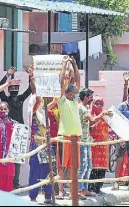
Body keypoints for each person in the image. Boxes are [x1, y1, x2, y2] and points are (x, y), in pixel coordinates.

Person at [0, 66, 32, 189]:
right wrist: (7, 75)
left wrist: (31, 75)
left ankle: (15, 183)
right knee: (7, 157)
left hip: (20, 130)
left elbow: (30, 89)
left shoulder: (21, 98)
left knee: (17, 159)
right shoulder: (5, 99)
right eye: (11, 87)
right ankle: (7, 182)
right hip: (8, 129)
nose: (14, 89)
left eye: (16, 87)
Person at [57, 56, 82, 199]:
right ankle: (61, 191)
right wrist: (64, 64)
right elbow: (61, 82)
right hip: (64, 136)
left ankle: (73, 192)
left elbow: (78, 79)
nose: (76, 90)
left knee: (74, 166)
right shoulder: (62, 100)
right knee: (62, 166)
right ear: (69, 92)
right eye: (74, 90)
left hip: (76, 137)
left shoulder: (75, 101)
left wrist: (74, 63)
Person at [27, 70, 53, 204]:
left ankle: (48, 195)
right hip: (36, 144)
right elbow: (37, 99)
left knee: (49, 169)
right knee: (35, 171)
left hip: (46, 144)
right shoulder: (34, 110)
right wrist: (32, 77)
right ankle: (33, 196)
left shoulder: (44, 111)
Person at [88, 95, 110, 195]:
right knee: (93, 167)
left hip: (104, 146)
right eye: (97, 103)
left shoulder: (106, 115)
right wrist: (101, 114)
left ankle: (98, 188)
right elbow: (91, 125)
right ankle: (91, 188)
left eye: (101, 104)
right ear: (93, 104)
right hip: (93, 145)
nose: (99, 106)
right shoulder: (90, 113)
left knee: (102, 168)